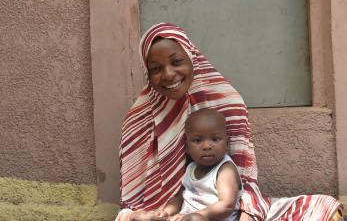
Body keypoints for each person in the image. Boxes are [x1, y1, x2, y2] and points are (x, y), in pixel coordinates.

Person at [116, 23, 343, 221]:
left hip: (228, 206)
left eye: (176, 61)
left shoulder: (227, 101)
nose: (168, 74)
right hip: (173, 212)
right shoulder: (140, 120)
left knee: (324, 208)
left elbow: (243, 178)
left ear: (191, 56)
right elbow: (139, 198)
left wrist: (247, 213)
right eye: (155, 69)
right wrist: (162, 213)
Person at [156, 108, 243, 221]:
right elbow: (179, 198)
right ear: (187, 147)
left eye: (215, 139)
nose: (207, 146)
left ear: (227, 143)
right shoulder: (190, 168)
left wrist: (191, 217)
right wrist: (166, 212)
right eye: (197, 140)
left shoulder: (225, 169)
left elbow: (227, 205)